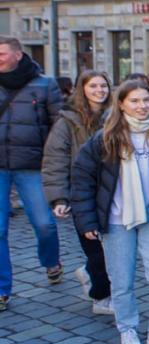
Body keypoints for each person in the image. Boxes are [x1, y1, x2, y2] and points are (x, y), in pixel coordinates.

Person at [70, 79, 149, 344]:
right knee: (121, 279)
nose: (142, 106)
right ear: (121, 103)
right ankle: (128, 328)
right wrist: (86, 221)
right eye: (134, 101)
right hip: (116, 219)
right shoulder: (105, 138)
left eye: (145, 100)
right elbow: (82, 179)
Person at [42, 70, 114, 315]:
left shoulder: (116, 115)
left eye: (103, 85)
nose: (99, 90)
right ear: (81, 89)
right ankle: (101, 297)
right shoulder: (67, 121)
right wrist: (59, 198)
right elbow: (55, 159)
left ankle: (89, 273)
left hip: (113, 191)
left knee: (112, 248)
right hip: (83, 193)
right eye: (93, 85)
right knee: (96, 249)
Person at [0, 36, 63, 310]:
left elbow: (59, 127)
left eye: (1, 53)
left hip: (33, 165)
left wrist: (55, 162)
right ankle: (2, 289)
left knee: (44, 224)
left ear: (17, 55)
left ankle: (51, 261)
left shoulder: (44, 84)